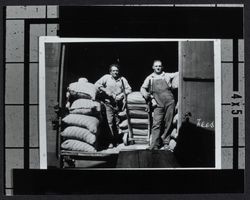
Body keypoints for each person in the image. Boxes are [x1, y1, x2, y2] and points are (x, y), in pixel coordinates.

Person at [140, 60, 178, 150]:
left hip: (169, 101)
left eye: (160, 66)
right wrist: (148, 96)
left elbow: (178, 73)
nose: (158, 68)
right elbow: (142, 88)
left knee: (168, 122)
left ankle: (166, 143)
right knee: (156, 124)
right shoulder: (150, 78)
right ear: (153, 67)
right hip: (157, 103)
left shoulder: (167, 75)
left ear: (162, 67)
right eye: (156, 66)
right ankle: (154, 145)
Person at [95, 63, 132, 147]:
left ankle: (118, 139)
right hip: (108, 103)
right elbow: (96, 85)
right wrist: (105, 90)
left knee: (118, 122)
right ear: (110, 72)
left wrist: (122, 95)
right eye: (113, 71)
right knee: (110, 122)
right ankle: (111, 141)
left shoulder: (122, 79)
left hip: (119, 104)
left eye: (117, 71)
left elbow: (129, 89)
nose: (115, 72)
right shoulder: (106, 78)